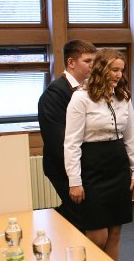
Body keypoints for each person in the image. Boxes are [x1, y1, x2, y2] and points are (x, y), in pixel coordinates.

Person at [64, 48, 134, 261]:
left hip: (118, 165)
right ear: (101, 69)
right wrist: (74, 181)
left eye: (121, 70)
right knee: (98, 236)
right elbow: (71, 143)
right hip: (93, 166)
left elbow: (131, 137)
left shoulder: (123, 97)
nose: (119, 75)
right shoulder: (81, 98)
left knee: (115, 233)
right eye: (114, 70)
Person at [38, 40, 98, 224]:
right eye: (87, 61)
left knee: (83, 214)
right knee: (79, 215)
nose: (93, 66)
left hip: (82, 165)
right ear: (71, 62)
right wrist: (76, 175)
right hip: (63, 166)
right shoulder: (55, 93)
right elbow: (57, 141)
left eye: (94, 61)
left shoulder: (86, 89)